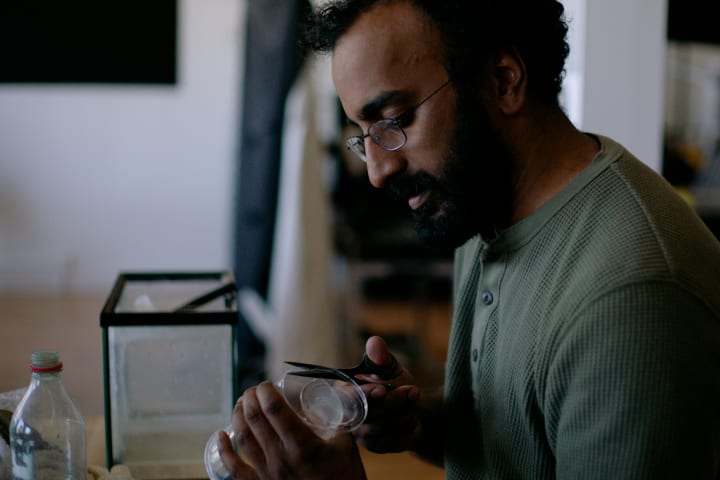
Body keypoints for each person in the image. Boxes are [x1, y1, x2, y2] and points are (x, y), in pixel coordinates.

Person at [218, 0, 720, 478]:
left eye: (392, 121)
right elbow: (522, 439)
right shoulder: (482, 206)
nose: (377, 170)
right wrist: (419, 421)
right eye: (363, 133)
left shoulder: (632, 298)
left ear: (502, 81)